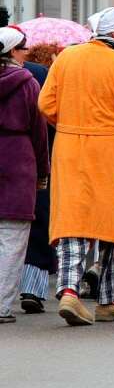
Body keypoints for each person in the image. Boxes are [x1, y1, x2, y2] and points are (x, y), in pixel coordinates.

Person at [38, 8, 114, 326]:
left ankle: (77, 292)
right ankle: (95, 298)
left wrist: (69, 123)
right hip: (107, 151)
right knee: (106, 223)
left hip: (68, 147)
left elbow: (46, 104)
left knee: (71, 219)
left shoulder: (66, 58)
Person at [0, 28, 49, 323]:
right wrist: (43, 171)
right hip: (19, 160)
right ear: (12, 52)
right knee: (13, 238)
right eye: (23, 48)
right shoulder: (28, 84)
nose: (27, 52)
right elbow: (39, 131)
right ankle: (2, 305)